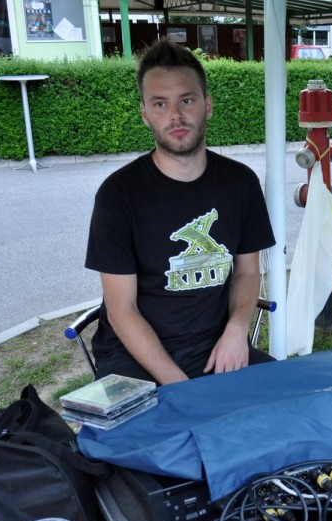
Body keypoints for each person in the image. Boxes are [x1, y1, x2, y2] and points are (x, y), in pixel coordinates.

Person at [85, 39, 276, 385]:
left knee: (291, 404)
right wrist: (180, 387)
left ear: (207, 105)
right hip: (134, 356)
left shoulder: (241, 183)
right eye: (160, 103)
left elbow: (247, 272)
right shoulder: (118, 195)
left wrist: (236, 330)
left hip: (215, 347)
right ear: (145, 114)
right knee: (159, 423)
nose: (175, 115)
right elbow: (122, 309)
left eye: (186, 100)